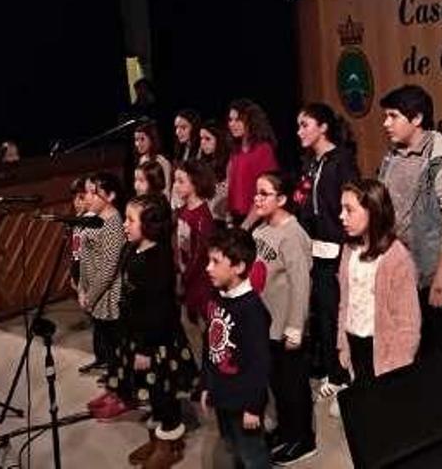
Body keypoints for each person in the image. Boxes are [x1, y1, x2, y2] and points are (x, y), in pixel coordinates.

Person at [377, 84, 442, 358]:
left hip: (435, 274)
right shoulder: (392, 156)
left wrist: (441, 278)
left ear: (416, 118)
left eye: (393, 116)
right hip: (402, 270)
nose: (386, 123)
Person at [120, 194, 198, 466]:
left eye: (130, 220)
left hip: (156, 343)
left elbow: (157, 312)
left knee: (163, 395)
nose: (125, 225)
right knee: (148, 394)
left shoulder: (157, 261)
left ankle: (169, 443)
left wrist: (144, 348)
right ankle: (156, 439)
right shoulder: (133, 250)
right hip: (137, 336)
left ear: (150, 226)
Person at [294, 102, 359, 411]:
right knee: (321, 314)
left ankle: (343, 377)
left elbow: (350, 206)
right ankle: (330, 369)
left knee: (336, 315)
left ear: (323, 127)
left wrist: (349, 246)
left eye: (305, 125)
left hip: (337, 251)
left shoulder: (341, 161)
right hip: (315, 250)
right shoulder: (312, 162)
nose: (299, 132)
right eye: (298, 126)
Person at [250, 172, 316, 465]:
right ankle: (287, 432)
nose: (257, 199)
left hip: (286, 328)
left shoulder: (293, 235)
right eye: (256, 193)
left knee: (293, 386)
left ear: (282, 199)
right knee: (277, 385)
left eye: (264, 194)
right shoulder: (261, 231)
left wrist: (295, 326)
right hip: (265, 326)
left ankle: (303, 439)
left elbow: (302, 284)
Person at [337, 179, 421, 389]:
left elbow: (408, 323)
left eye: (349, 210)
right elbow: (344, 302)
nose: (342, 216)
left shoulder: (396, 258)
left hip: (383, 352)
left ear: (372, 211)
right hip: (354, 343)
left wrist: (396, 367)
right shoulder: (349, 250)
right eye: (342, 209)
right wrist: (342, 343)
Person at [201, 228, 272, 468]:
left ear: (239, 267)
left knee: (253, 455)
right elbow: (209, 344)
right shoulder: (216, 296)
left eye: (215, 262)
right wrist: (205, 384)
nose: (207, 268)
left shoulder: (252, 311)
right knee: (231, 446)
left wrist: (254, 406)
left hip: (243, 402)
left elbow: (259, 364)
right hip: (221, 394)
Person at [77, 173, 127, 402]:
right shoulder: (92, 218)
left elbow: (108, 268)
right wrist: (81, 288)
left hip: (108, 294)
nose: (88, 197)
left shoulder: (113, 223)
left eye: (93, 193)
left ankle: (120, 389)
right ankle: (112, 380)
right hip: (92, 291)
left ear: (111, 196)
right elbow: (84, 257)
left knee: (115, 343)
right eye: (87, 192)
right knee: (105, 341)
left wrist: (90, 295)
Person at [173, 160, 216, 325]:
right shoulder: (184, 211)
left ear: (196, 183)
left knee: (202, 324)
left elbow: (200, 256)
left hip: (199, 283)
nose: (175, 186)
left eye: (181, 181)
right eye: (175, 180)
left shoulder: (202, 217)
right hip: (186, 278)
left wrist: (185, 277)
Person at [226, 99, 278, 230]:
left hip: (256, 220)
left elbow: (265, 192)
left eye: (238, 120)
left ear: (251, 121)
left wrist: (247, 225)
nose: (232, 124)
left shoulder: (263, 149)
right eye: (230, 120)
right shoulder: (235, 151)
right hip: (237, 219)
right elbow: (231, 187)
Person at [199, 120, 232, 227]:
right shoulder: (204, 162)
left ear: (219, 140)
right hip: (205, 217)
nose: (203, 143)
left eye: (208, 139)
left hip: (223, 221)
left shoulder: (230, 162)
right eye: (201, 138)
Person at [134, 120, 173, 199]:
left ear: (152, 138)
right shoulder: (142, 159)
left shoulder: (162, 162)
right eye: (136, 140)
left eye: (142, 139)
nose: (138, 144)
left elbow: (166, 191)